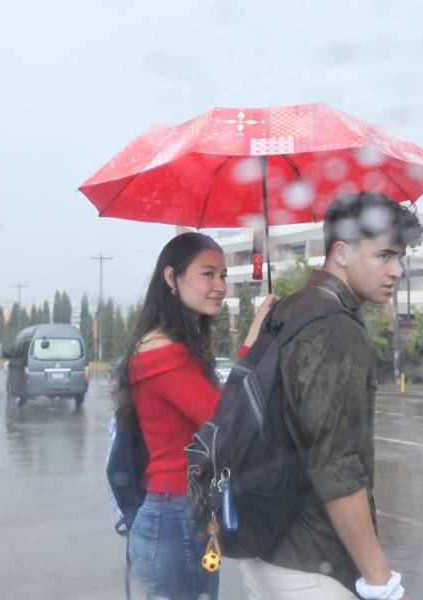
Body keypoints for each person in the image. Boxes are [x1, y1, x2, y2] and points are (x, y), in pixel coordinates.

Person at [239, 193, 420, 600]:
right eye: (385, 255)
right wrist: (382, 583)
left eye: (400, 258)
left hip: (262, 551)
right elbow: (336, 468)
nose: (397, 270)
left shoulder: (285, 310)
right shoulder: (336, 330)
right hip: (311, 570)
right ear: (341, 252)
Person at [114, 231, 273, 600]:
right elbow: (224, 421)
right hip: (173, 520)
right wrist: (254, 341)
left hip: (187, 516)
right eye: (208, 274)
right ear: (172, 278)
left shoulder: (177, 346)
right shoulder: (161, 353)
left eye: (223, 277)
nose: (220, 286)